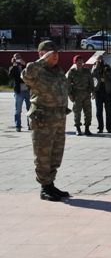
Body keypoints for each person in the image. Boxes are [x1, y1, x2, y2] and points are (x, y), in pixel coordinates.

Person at [21, 40, 70, 202]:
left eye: (56, 54)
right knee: (43, 154)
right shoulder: (36, 71)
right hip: (43, 120)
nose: (55, 57)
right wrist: (42, 60)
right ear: (42, 54)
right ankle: (44, 188)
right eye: (51, 54)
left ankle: (50, 184)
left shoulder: (58, 71)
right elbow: (26, 75)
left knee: (56, 154)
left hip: (58, 118)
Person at [67, 55, 94, 136]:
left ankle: (87, 129)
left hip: (86, 94)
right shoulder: (72, 72)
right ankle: (78, 129)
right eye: (78, 61)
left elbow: (91, 82)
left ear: (83, 62)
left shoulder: (87, 71)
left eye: (81, 61)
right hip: (77, 95)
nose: (79, 63)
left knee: (88, 112)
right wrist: (70, 94)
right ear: (75, 62)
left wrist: (92, 92)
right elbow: (68, 84)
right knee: (77, 112)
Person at [91, 54, 111, 133]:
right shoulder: (94, 68)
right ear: (96, 60)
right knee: (99, 111)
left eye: (101, 59)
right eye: (98, 59)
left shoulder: (107, 67)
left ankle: (109, 128)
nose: (100, 60)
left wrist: (107, 72)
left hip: (107, 91)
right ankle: (100, 127)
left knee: (108, 111)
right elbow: (92, 78)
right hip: (98, 92)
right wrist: (97, 67)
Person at [8, 53, 31, 132]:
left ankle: (30, 125)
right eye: (16, 57)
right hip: (19, 91)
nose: (18, 59)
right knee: (18, 110)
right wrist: (14, 65)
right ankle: (18, 126)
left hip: (27, 90)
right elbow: (10, 76)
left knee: (30, 109)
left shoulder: (25, 66)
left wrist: (24, 64)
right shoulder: (13, 67)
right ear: (13, 59)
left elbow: (30, 74)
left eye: (19, 57)